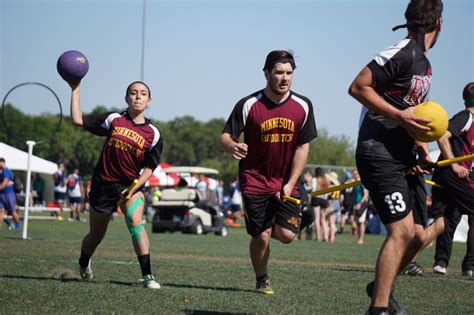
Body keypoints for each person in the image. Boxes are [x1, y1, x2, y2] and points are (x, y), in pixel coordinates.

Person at [348, 1, 443, 314]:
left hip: (402, 154)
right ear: (439, 24)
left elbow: (411, 115)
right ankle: (379, 309)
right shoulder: (402, 51)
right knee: (401, 232)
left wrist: (420, 150)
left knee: (418, 235)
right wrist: (399, 117)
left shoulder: (424, 65)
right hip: (378, 150)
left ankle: (381, 288)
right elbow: (358, 86)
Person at [220, 50, 317, 295]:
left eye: (289, 73)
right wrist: (233, 145)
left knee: (286, 236)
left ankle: (289, 221)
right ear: (266, 74)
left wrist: (290, 183)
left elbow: (303, 147)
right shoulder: (248, 104)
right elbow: (225, 135)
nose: (284, 78)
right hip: (254, 180)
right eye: (278, 72)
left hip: (285, 181)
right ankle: (262, 279)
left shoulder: (303, 106)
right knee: (261, 236)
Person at [68, 80, 163, 289]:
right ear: (126, 98)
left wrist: (133, 189)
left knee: (135, 220)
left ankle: (148, 276)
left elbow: (150, 167)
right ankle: (84, 263)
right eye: (133, 93)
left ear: (149, 101)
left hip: (130, 186)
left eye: (143, 94)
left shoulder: (154, 133)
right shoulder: (114, 119)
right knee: (96, 236)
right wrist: (75, 88)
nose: (138, 96)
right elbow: (77, 119)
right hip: (103, 185)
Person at [410, 81, 474, 277]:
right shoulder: (466, 117)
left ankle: (405, 259)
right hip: (452, 174)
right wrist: (454, 164)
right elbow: (442, 136)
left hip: (449, 175)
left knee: (442, 223)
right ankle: (469, 264)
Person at [0, 158, 21, 230]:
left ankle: (17, 225)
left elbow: (5, 181)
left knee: (12, 211)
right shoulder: (2, 171)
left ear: (2, 162)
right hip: (2, 194)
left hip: (8, 194)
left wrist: (1, 187)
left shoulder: (6, 171)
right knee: (0, 211)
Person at [350, 170, 369, 245]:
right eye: (353, 174)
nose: (353, 175)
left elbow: (365, 194)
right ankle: (359, 239)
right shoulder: (355, 184)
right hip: (356, 204)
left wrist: (360, 203)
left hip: (361, 204)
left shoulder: (362, 182)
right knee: (357, 222)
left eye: (355, 173)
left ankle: (361, 239)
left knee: (361, 222)